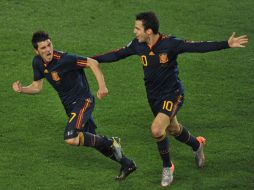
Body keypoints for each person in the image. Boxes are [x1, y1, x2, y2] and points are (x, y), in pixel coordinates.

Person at [91, 12, 248, 187]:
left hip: (173, 94)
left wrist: (226, 44)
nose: (134, 31)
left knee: (157, 129)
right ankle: (197, 145)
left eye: (137, 28)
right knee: (173, 129)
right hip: (154, 97)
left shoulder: (170, 44)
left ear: (149, 31)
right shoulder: (138, 45)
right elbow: (116, 54)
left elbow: (198, 46)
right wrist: (89, 60)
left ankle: (167, 167)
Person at [12, 31, 136, 180]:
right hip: (70, 107)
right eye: (43, 48)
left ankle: (112, 141)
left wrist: (102, 87)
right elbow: (37, 87)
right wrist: (22, 90)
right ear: (36, 51)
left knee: (71, 137)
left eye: (49, 45)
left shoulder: (65, 59)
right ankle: (127, 163)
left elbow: (92, 62)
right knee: (94, 141)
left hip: (83, 101)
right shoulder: (37, 63)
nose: (48, 50)